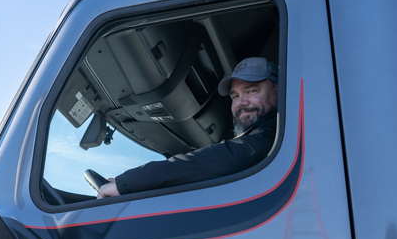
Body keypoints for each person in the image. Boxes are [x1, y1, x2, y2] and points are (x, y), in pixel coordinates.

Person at [97, 57, 279, 198]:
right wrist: (128, 183)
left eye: (251, 91)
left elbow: (220, 159)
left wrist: (127, 184)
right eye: (234, 96)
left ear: (278, 90)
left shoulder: (276, 132)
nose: (241, 103)